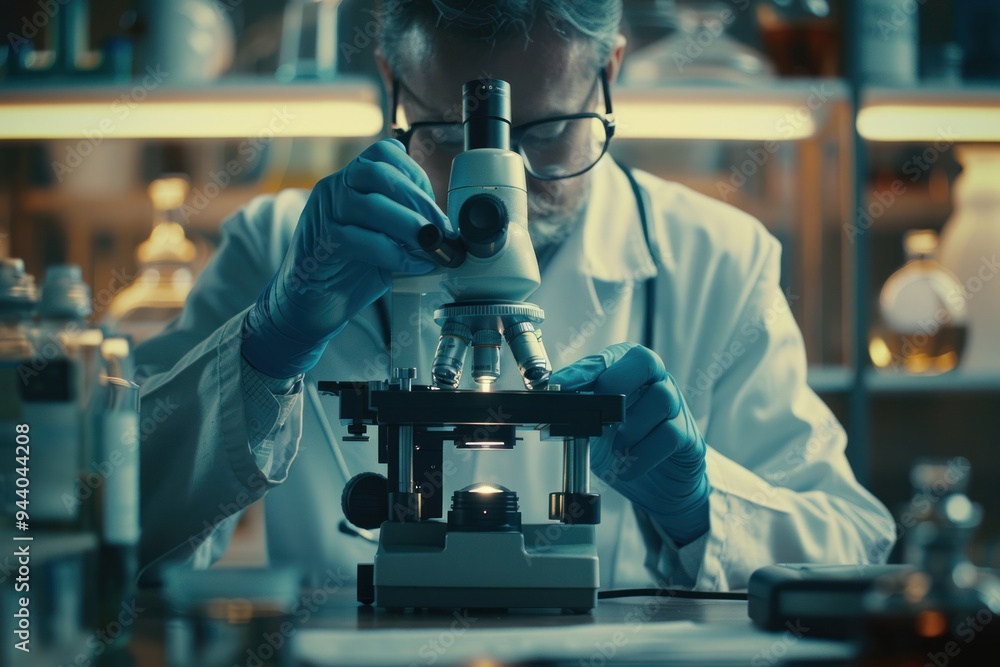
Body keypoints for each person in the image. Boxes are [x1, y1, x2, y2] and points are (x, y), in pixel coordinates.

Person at [135, 0, 895, 591]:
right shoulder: (276, 245)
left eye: (548, 131)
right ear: (392, 83)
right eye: (448, 134)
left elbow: (854, 544)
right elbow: (111, 521)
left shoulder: (720, 260)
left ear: (610, 71)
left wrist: (698, 505)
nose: (508, 189)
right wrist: (270, 344)